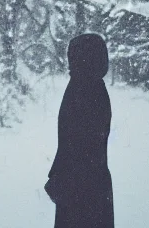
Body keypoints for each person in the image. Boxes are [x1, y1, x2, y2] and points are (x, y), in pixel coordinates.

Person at [44, 33, 114, 228]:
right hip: (87, 183)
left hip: (81, 186)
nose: (69, 60)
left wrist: (62, 177)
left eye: (73, 55)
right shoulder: (87, 86)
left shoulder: (85, 89)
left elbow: (79, 143)